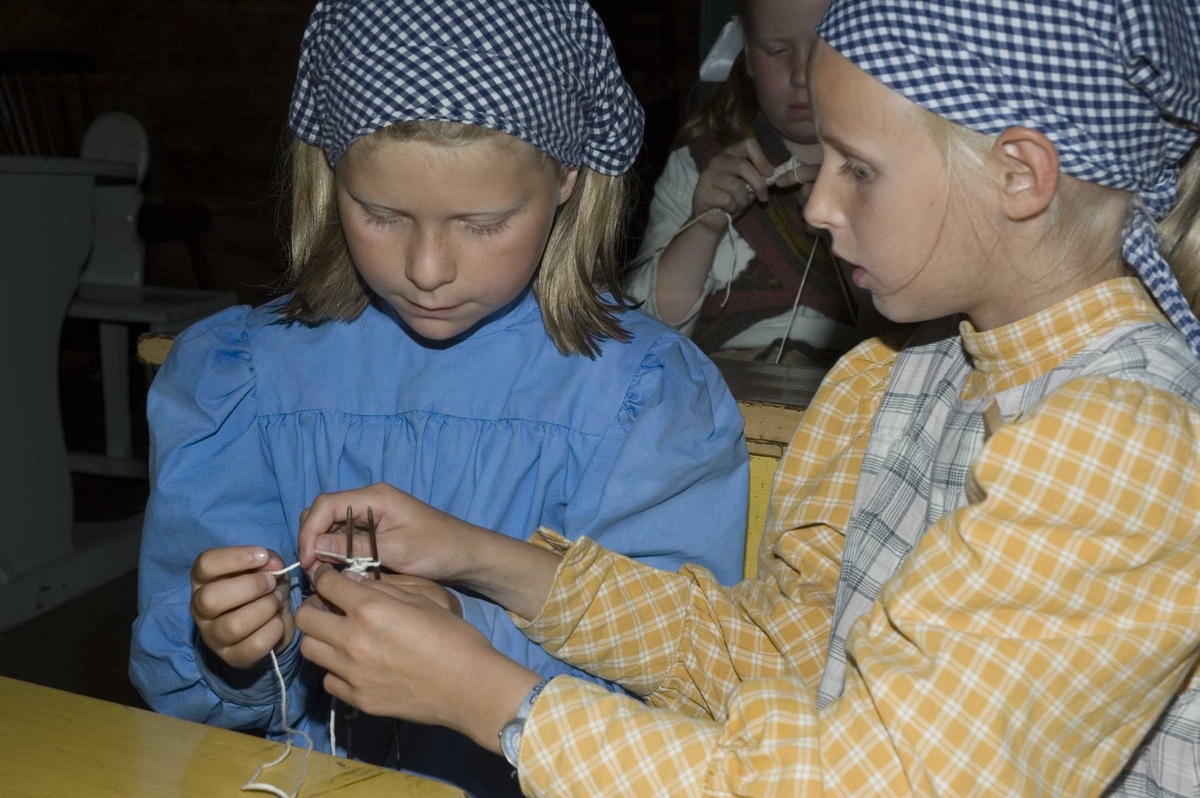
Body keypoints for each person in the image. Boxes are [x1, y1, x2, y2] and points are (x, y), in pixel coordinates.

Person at [291, 0, 1200, 794]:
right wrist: (480, 556)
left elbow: (869, 785)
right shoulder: (902, 369)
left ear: (1019, 174)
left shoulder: (1122, 440)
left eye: (858, 167)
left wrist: (490, 698)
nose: (817, 205)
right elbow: (785, 659)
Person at [128, 1, 750, 795]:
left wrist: (467, 637)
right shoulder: (242, 379)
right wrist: (239, 643)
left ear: (566, 179)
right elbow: (176, 692)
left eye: (483, 223)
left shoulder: (647, 403)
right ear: (329, 174)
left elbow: (675, 698)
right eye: (380, 214)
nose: (427, 268)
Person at [624, 0, 865, 364]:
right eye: (777, 50)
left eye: (824, 47)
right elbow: (640, 331)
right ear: (748, 57)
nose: (800, 74)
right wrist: (704, 228)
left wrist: (845, 228)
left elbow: (906, 336)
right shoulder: (696, 167)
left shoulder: (895, 176)